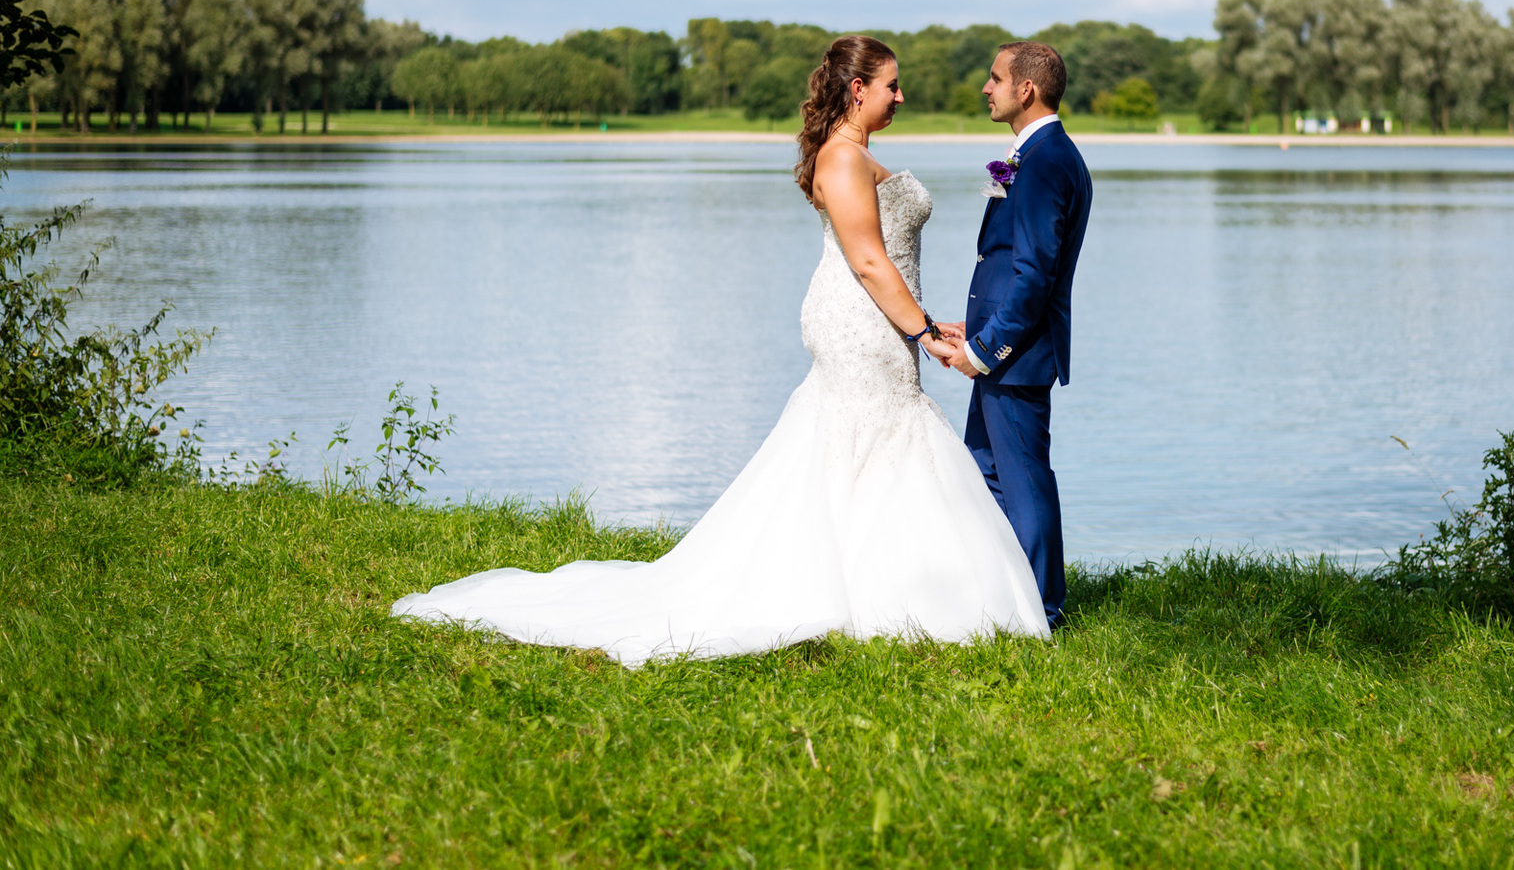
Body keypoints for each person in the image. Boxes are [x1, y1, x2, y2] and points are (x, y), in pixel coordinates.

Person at [391, 35, 1050, 664]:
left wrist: (924, 323)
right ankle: (891, 596)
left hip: (883, 318)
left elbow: (889, 261)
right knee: (874, 432)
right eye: (891, 86)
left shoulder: (860, 151)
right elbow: (871, 262)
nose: (901, 97)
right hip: (859, 320)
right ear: (857, 89)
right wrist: (925, 333)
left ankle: (883, 586)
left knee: (871, 441)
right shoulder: (844, 158)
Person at [938, 42, 1092, 631]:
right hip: (1005, 346)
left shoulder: (1048, 161)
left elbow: (1033, 277)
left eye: (995, 78)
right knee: (988, 469)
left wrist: (982, 350)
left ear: (1025, 90)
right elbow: (1007, 262)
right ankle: (1002, 596)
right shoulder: (1034, 153)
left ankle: (1042, 611)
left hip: (1017, 356)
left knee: (1024, 479)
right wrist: (972, 326)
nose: (986, 87)